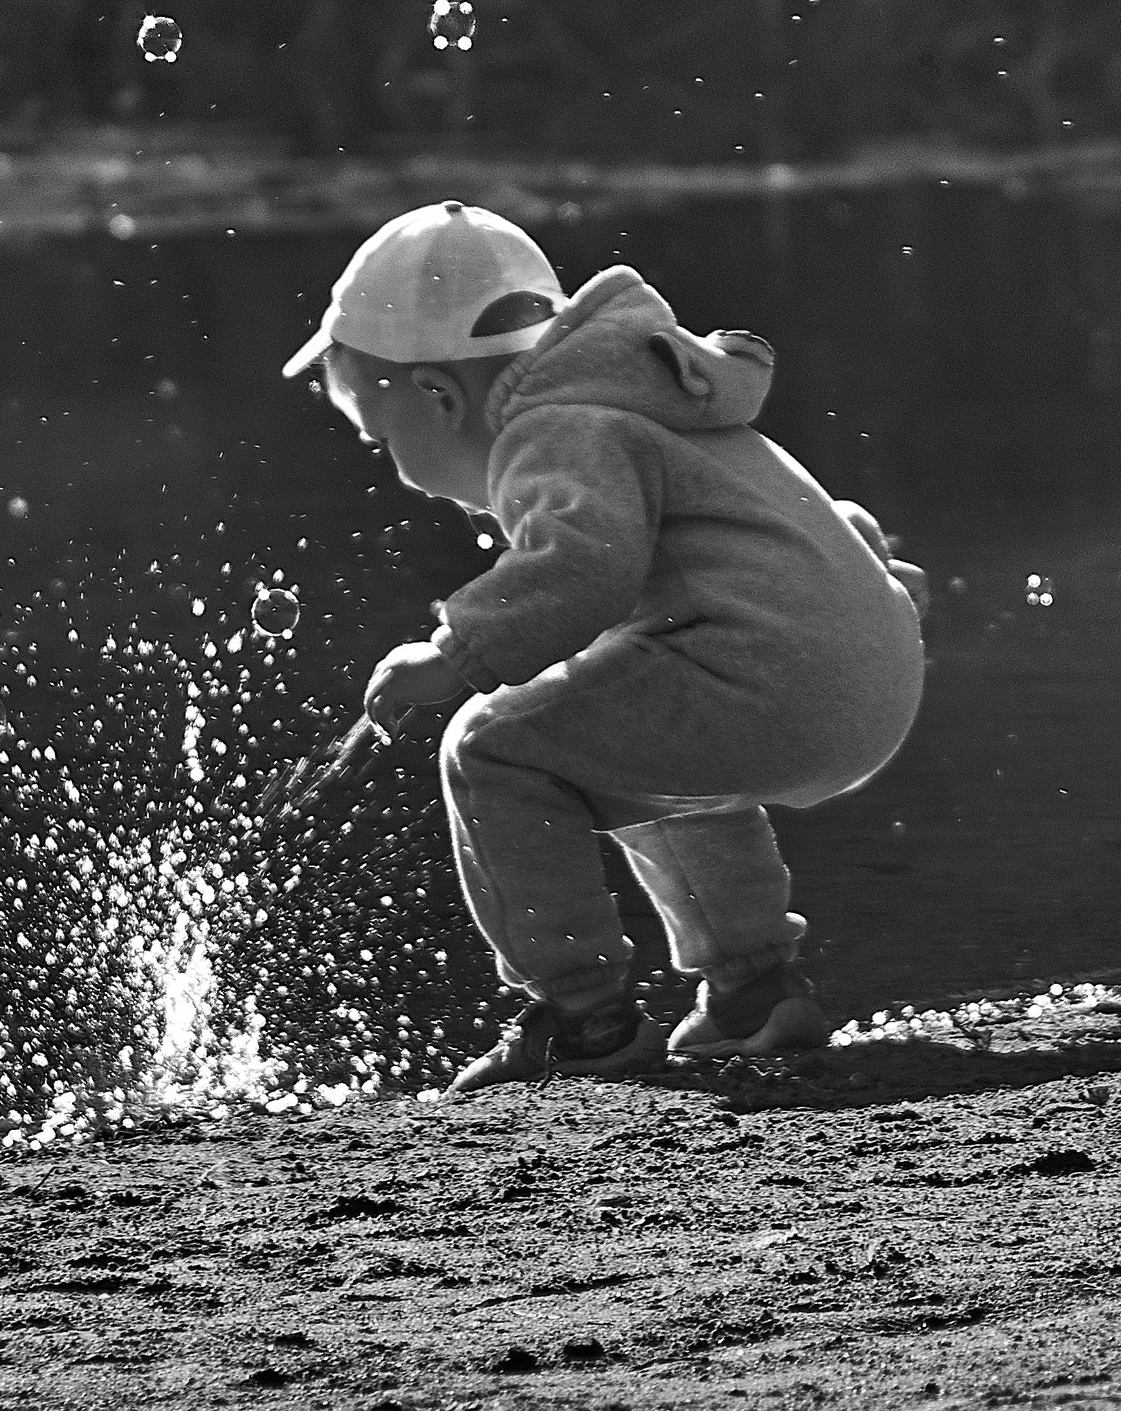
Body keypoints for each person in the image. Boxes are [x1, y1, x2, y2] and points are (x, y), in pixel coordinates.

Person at [277, 201, 930, 1093]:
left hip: (773, 678)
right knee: (620, 722)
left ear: (439, 395)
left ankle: (586, 1019)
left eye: (382, 440)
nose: (391, 468)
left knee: (489, 744)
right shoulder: (643, 396)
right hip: (862, 674)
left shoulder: (556, 428)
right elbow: (786, 521)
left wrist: (457, 653)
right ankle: (753, 989)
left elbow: (584, 569)